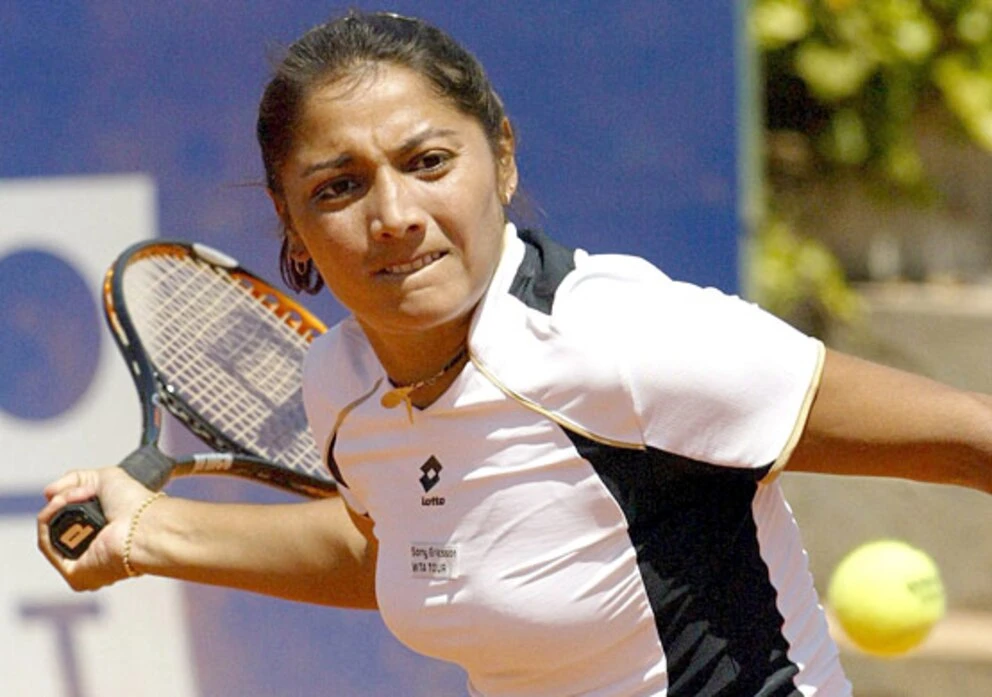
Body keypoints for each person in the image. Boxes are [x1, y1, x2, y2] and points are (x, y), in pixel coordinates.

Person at [38, 10, 991, 697]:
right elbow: (405, 545)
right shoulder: (341, 386)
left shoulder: (624, 340)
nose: (395, 215)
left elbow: (973, 437)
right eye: (338, 187)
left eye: (428, 162)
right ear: (291, 224)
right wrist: (147, 534)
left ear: (502, 157)